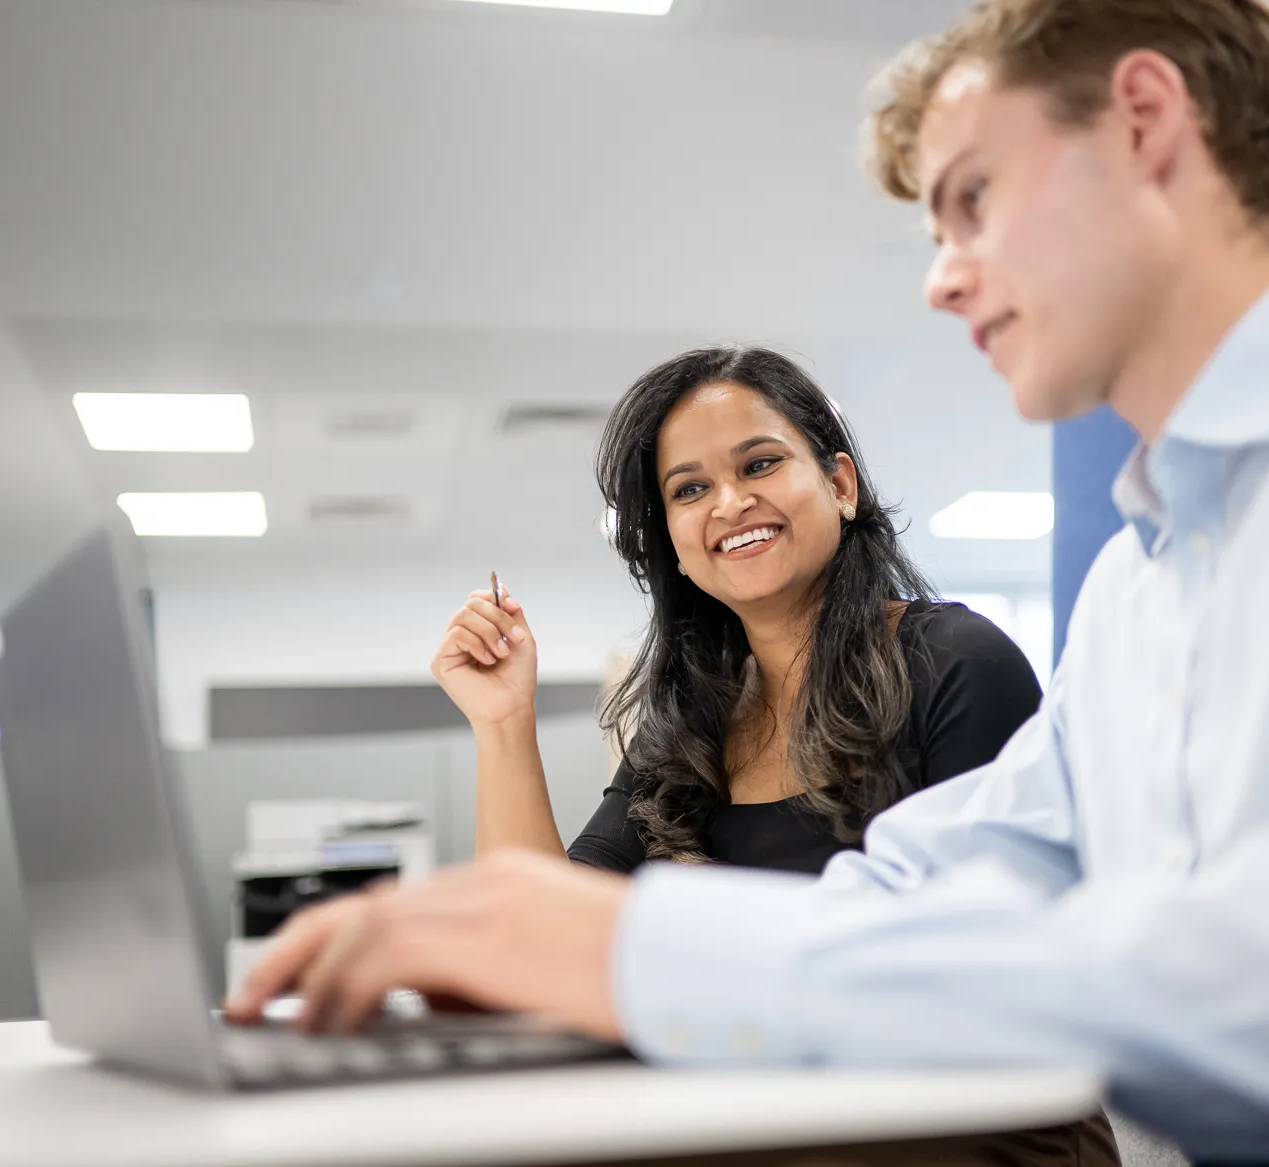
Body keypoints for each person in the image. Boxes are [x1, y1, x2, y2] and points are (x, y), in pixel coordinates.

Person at [228, 1, 1269, 1163]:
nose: (944, 282)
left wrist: (646, 958)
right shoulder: (1144, 594)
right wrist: (526, 945)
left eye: (970, 205)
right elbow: (909, 883)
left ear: (1143, 123)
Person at [427, 345, 1118, 1164]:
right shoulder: (689, 725)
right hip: (775, 1128)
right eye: (689, 488)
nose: (730, 501)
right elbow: (541, 943)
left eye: (760, 462)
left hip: (971, 1134)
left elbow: (979, 984)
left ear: (840, 485)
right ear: (675, 543)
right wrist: (505, 721)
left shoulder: (957, 663)